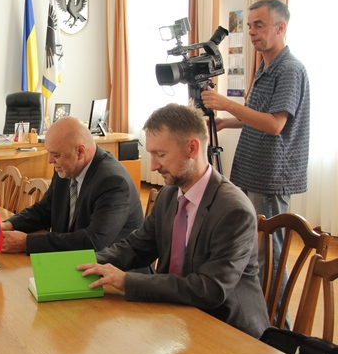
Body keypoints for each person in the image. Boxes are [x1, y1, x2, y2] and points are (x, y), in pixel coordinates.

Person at [79, 103, 269, 338]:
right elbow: (136, 247)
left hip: (228, 331)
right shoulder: (168, 195)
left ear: (192, 148)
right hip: (176, 319)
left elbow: (210, 289)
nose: (153, 165)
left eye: (161, 155)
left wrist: (127, 281)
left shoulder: (234, 211)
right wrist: (83, 264)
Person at [201, 0, 309, 324]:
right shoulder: (264, 66)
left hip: (271, 174)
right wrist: (229, 121)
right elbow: (260, 116)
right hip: (251, 169)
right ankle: (253, 317)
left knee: (269, 254)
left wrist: (227, 105)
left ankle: (278, 328)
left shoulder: (289, 69)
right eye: (249, 26)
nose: (251, 32)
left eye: (258, 25)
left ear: (280, 27)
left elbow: (275, 125)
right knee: (249, 247)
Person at [0, 116, 143, 255]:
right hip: (73, 262)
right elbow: (44, 210)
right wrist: (8, 225)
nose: (50, 160)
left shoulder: (113, 182)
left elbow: (93, 241)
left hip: (114, 272)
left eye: (55, 155)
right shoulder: (67, 167)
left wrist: (26, 243)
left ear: (80, 152)